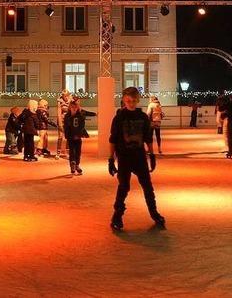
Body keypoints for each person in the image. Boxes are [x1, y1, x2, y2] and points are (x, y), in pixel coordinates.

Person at [108, 87, 165, 231]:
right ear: (123, 100)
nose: (131, 103)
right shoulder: (119, 117)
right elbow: (113, 139)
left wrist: (151, 155)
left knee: (147, 186)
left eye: (133, 101)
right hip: (124, 157)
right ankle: (117, 216)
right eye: (128, 101)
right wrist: (111, 159)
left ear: (138, 100)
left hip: (139, 156)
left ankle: (154, 213)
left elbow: (147, 138)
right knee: (124, 187)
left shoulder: (143, 117)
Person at [63, 100, 96, 175]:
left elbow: (82, 126)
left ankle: (77, 165)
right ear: (69, 108)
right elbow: (66, 127)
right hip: (71, 137)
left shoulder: (80, 115)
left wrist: (79, 135)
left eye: (75, 107)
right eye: (72, 107)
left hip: (78, 137)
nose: (74, 108)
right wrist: (68, 135)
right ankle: (72, 164)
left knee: (78, 152)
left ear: (78, 108)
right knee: (72, 151)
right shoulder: (67, 116)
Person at [56, 89, 74, 158]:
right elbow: (58, 113)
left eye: (66, 96)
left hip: (69, 121)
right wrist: (60, 123)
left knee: (69, 137)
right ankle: (58, 152)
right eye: (64, 96)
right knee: (60, 137)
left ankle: (68, 152)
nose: (65, 97)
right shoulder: (59, 101)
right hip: (62, 120)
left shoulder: (71, 101)